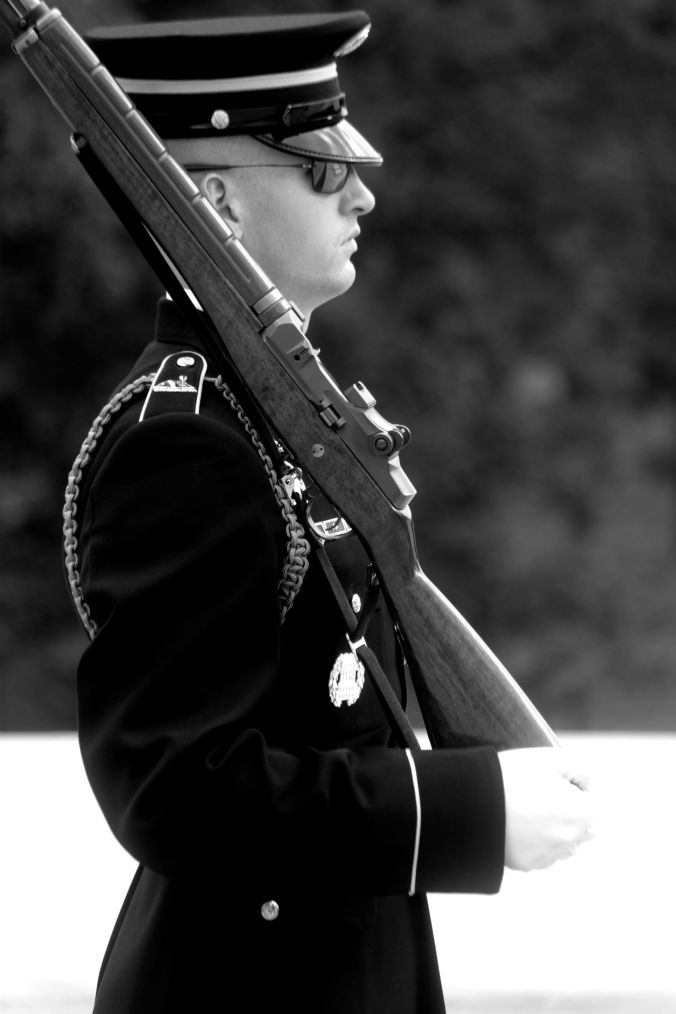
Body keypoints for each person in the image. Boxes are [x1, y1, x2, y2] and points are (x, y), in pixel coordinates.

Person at [63, 12, 595, 1014]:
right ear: (216, 203)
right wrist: (463, 812)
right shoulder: (189, 442)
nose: (361, 193)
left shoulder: (274, 415)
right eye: (319, 170)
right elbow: (177, 788)